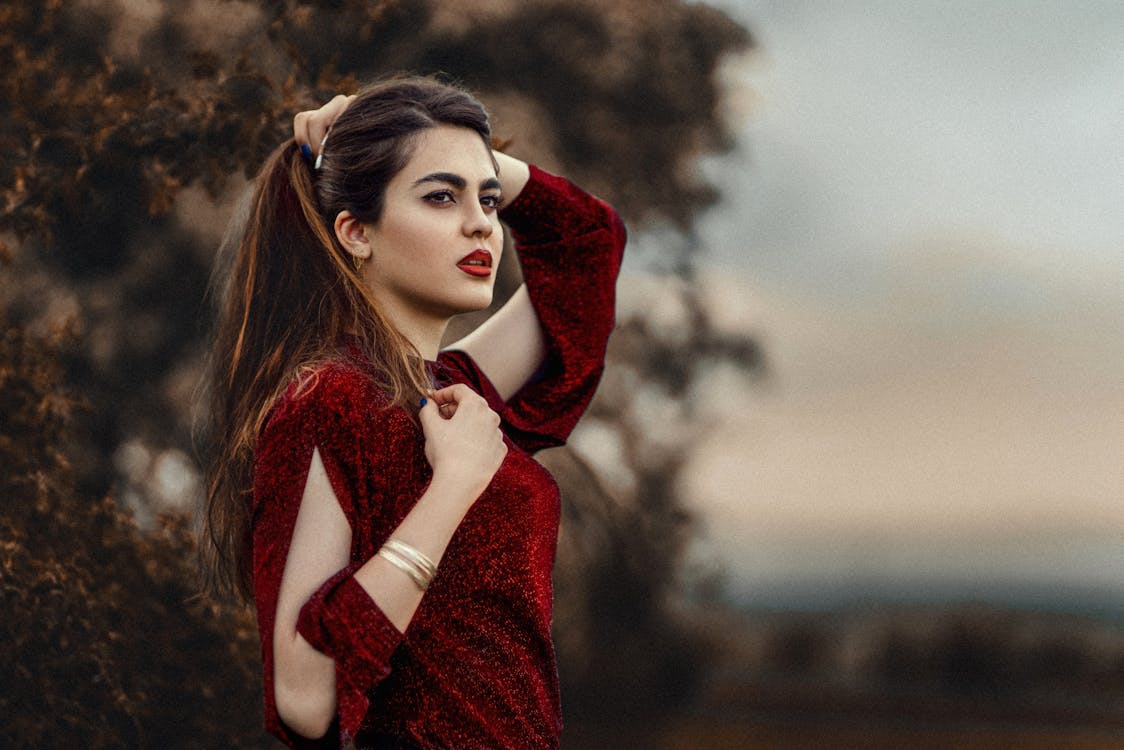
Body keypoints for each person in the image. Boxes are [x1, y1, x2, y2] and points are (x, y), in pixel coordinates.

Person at [201, 76, 626, 749]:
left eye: (486, 200)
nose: (481, 221)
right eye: (440, 197)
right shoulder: (328, 401)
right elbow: (304, 696)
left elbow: (588, 245)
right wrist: (454, 485)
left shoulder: (450, 390)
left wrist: (465, 153)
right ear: (356, 232)